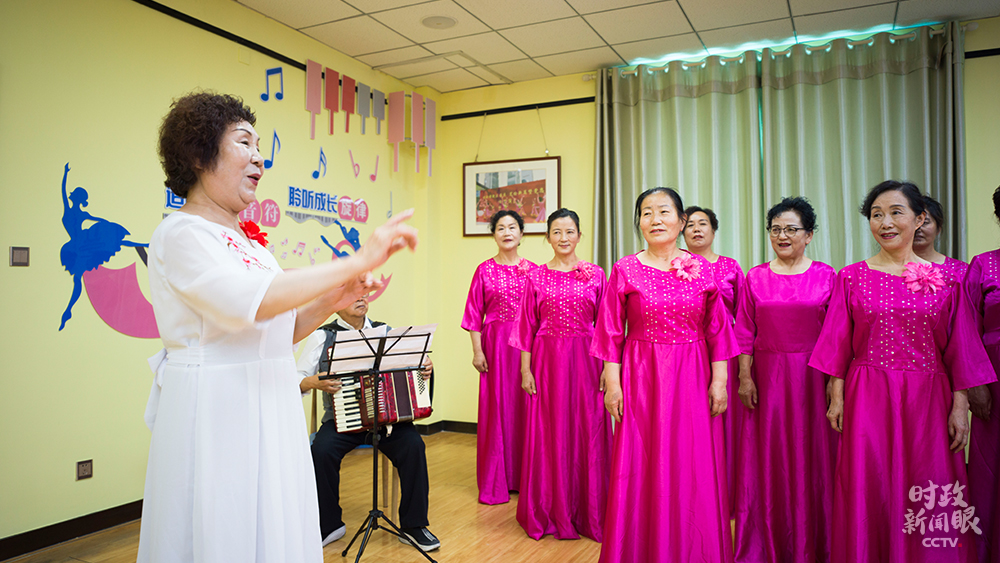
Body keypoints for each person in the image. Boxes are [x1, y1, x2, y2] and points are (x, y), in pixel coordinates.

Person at [138, 92, 417, 563]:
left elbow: (276, 331)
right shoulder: (181, 234)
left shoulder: (253, 247)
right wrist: (358, 259)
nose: (259, 158)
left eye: (260, 146)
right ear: (199, 154)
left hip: (270, 402)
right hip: (219, 409)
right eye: (244, 142)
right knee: (225, 529)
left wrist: (333, 300)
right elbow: (244, 305)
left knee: (275, 527)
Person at [808, 180, 995, 563]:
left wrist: (960, 406)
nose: (885, 222)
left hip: (928, 400)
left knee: (931, 481)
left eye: (896, 212)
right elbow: (837, 341)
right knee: (868, 483)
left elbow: (960, 347)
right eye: (876, 215)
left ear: (919, 218)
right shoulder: (851, 277)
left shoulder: (948, 280)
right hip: (868, 395)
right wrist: (836, 397)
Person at [592, 187, 738, 563]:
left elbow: (718, 330)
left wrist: (720, 382)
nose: (655, 219)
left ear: (681, 220)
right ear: (639, 222)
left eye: (664, 211)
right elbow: (610, 331)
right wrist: (612, 385)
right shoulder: (625, 268)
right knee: (641, 461)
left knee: (693, 461)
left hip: (693, 375)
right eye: (646, 212)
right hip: (641, 376)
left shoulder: (702, 269)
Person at [733, 197, 837, 563]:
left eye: (791, 229)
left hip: (813, 376)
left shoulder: (827, 275)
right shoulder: (755, 277)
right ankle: (767, 542)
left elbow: (836, 335)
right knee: (767, 457)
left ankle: (818, 543)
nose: (782, 235)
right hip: (768, 378)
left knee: (815, 457)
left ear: (809, 235)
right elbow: (744, 332)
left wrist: (834, 383)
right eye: (776, 229)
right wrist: (745, 377)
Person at [297, 295, 440, 552]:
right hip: (342, 422)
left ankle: (413, 525)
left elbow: (412, 367)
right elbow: (297, 380)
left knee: (414, 446)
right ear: (336, 303)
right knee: (321, 451)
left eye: (363, 293)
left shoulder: (386, 333)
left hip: (387, 422)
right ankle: (329, 524)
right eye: (352, 294)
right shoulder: (322, 336)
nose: (361, 298)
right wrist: (312, 382)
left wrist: (425, 367)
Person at [510, 208, 611, 541]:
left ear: (579, 235)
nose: (563, 238)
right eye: (556, 232)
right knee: (548, 430)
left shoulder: (596, 274)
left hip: (587, 361)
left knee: (588, 428)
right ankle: (549, 508)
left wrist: (608, 369)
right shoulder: (535, 276)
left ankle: (588, 511)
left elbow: (607, 326)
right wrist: (525, 369)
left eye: (570, 232)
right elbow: (525, 325)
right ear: (547, 237)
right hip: (546, 361)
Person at [461, 210, 536, 505]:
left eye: (512, 227)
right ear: (493, 234)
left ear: (521, 233)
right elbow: (473, 314)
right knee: (497, 409)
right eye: (501, 228)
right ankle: (498, 479)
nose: (507, 232)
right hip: (495, 348)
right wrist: (477, 350)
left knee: (526, 408)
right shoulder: (483, 270)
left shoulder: (534, 271)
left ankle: (526, 478)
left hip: (527, 348)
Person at [684, 205, 744, 513]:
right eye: (690, 224)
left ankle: (726, 495)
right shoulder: (674, 268)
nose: (696, 229)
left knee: (724, 421)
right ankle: (693, 491)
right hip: (688, 354)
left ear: (714, 229)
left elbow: (744, 317)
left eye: (703, 223)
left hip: (725, 354)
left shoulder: (730, 267)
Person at [58, 163, 147, 330]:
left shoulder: (77, 213)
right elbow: (63, 192)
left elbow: (98, 219)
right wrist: (65, 174)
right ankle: (68, 310)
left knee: (111, 241)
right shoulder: (73, 212)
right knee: (79, 277)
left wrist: (106, 225)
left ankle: (68, 310)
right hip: (77, 247)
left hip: (81, 244)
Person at [964, 185, 1000, 563]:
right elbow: (967, 331)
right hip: (993, 383)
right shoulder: (983, 265)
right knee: (990, 470)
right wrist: (975, 385)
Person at [914, 194, 968, 281]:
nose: (918, 228)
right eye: (913, 223)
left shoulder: (961, 271)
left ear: (938, 228)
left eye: (925, 223)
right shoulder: (894, 269)